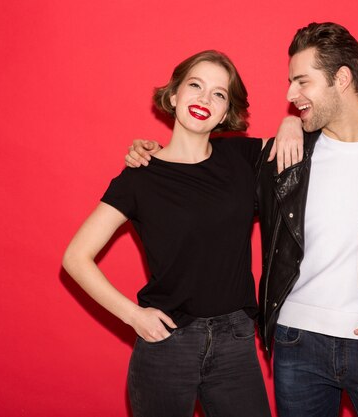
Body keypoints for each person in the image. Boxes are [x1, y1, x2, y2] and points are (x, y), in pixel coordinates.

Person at [127, 22, 358, 417]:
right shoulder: (284, 159)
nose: (290, 95)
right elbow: (205, 193)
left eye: (302, 82)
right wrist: (153, 157)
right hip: (296, 345)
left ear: (341, 78)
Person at [62, 50, 302, 417]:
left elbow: (308, 147)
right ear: (173, 96)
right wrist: (133, 315)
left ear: (226, 113)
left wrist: (293, 124)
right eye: (195, 86)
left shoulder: (242, 156)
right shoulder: (139, 177)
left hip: (235, 339)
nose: (205, 99)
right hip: (167, 342)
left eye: (219, 94)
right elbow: (75, 258)